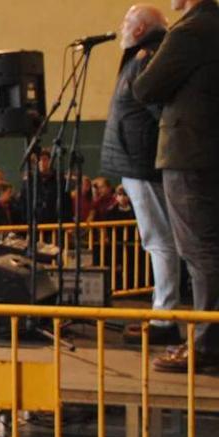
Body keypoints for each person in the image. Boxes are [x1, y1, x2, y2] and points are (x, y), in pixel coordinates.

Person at [133, 0, 219, 371]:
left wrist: (143, 63)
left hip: (189, 155)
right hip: (208, 152)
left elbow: (145, 88)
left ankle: (205, 345)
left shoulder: (188, 32)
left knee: (199, 252)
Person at [101, 5, 181, 347]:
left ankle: (165, 318)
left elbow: (160, 111)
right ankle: (162, 312)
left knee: (159, 242)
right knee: (158, 242)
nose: (121, 28)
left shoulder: (148, 57)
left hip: (142, 163)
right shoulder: (144, 55)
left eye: (126, 23)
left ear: (138, 30)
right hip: (136, 162)